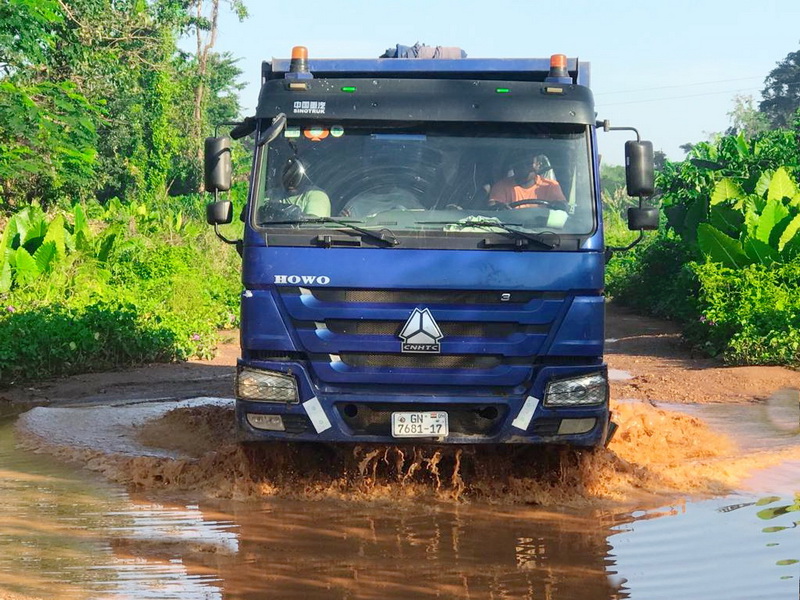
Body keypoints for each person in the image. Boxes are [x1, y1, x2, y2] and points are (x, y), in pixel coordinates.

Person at [488, 154, 567, 210]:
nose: (523, 167)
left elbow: (562, 207)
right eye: (519, 164)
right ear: (514, 167)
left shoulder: (550, 186)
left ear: (538, 165)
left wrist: (557, 205)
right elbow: (493, 209)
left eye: (528, 163)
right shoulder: (501, 186)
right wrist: (500, 208)